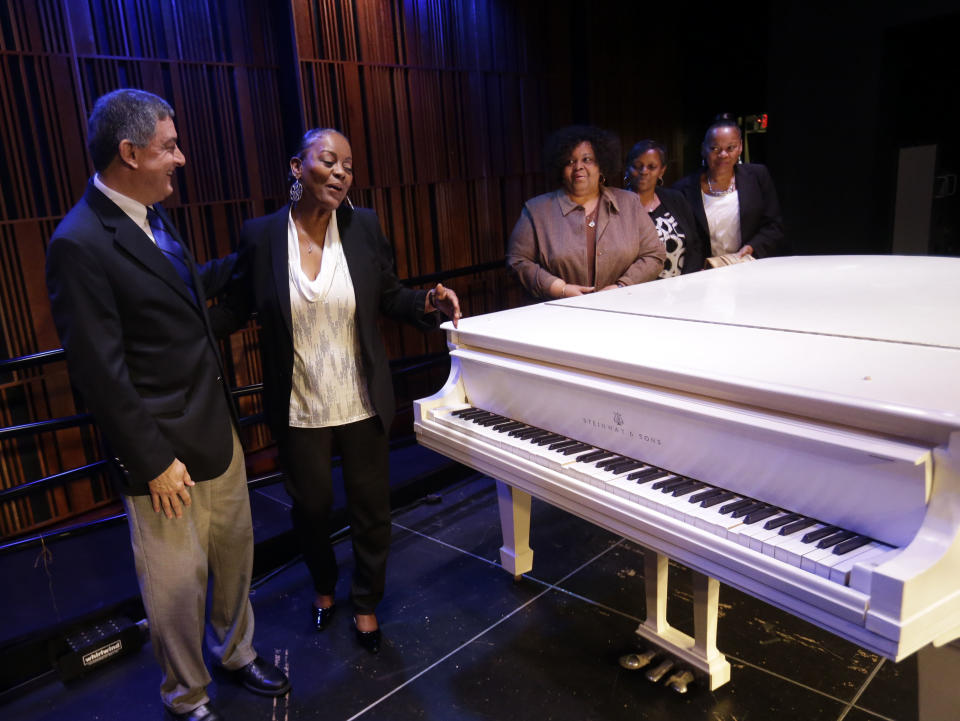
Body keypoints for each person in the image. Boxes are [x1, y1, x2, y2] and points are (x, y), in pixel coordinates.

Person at [45, 89, 289, 721]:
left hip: (216, 431)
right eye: (169, 147)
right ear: (129, 153)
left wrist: (258, 254)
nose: (180, 158)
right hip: (163, 458)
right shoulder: (79, 242)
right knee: (176, 590)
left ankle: (236, 654)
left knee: (235, 558)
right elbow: (100, 374)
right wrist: (153, 461)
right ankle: (187, 697)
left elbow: (182, 290)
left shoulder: (152, 215)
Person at [215, 128, 461, 656]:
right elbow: (236, 305)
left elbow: (391, 294)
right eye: (329, 160)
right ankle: (325, 586)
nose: (341, 172)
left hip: (361, 398)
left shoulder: (363, 226)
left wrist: (427, 303)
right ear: (297, 167)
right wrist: (183, 326)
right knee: (312, 508)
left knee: (371, 508)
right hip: (299, 402)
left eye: (348, 165)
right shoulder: (261, 236)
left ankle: (367, 601)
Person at [506, 125, 664, 299]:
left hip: (623, 309)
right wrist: (559, 288)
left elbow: (654, 254)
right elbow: (517, 261)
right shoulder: (536, 211)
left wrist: (622, 286)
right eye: (570, 161)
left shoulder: (629, 203)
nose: (578, 167)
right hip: (559, 314)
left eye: (587, 159)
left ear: (601, 165)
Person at [673, 114, 787, 265]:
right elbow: (683, 239)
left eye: (730, 148)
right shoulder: (683, 190)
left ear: (740, 147)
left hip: (750, 266)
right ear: (703, 149)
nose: (723, 154)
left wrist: (752, 247)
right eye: (715, 148)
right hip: (705, 272)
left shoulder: (758, 176)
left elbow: (774, 226)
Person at [624, 139, 705, 277]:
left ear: (662, 171)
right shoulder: (616, 206)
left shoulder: (676, 199)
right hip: (637, 291)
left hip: (683, 287)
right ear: (627, 168)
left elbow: (695, 244)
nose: (644, 171)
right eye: (637, 165)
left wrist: (689, 279)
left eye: (651, 167)